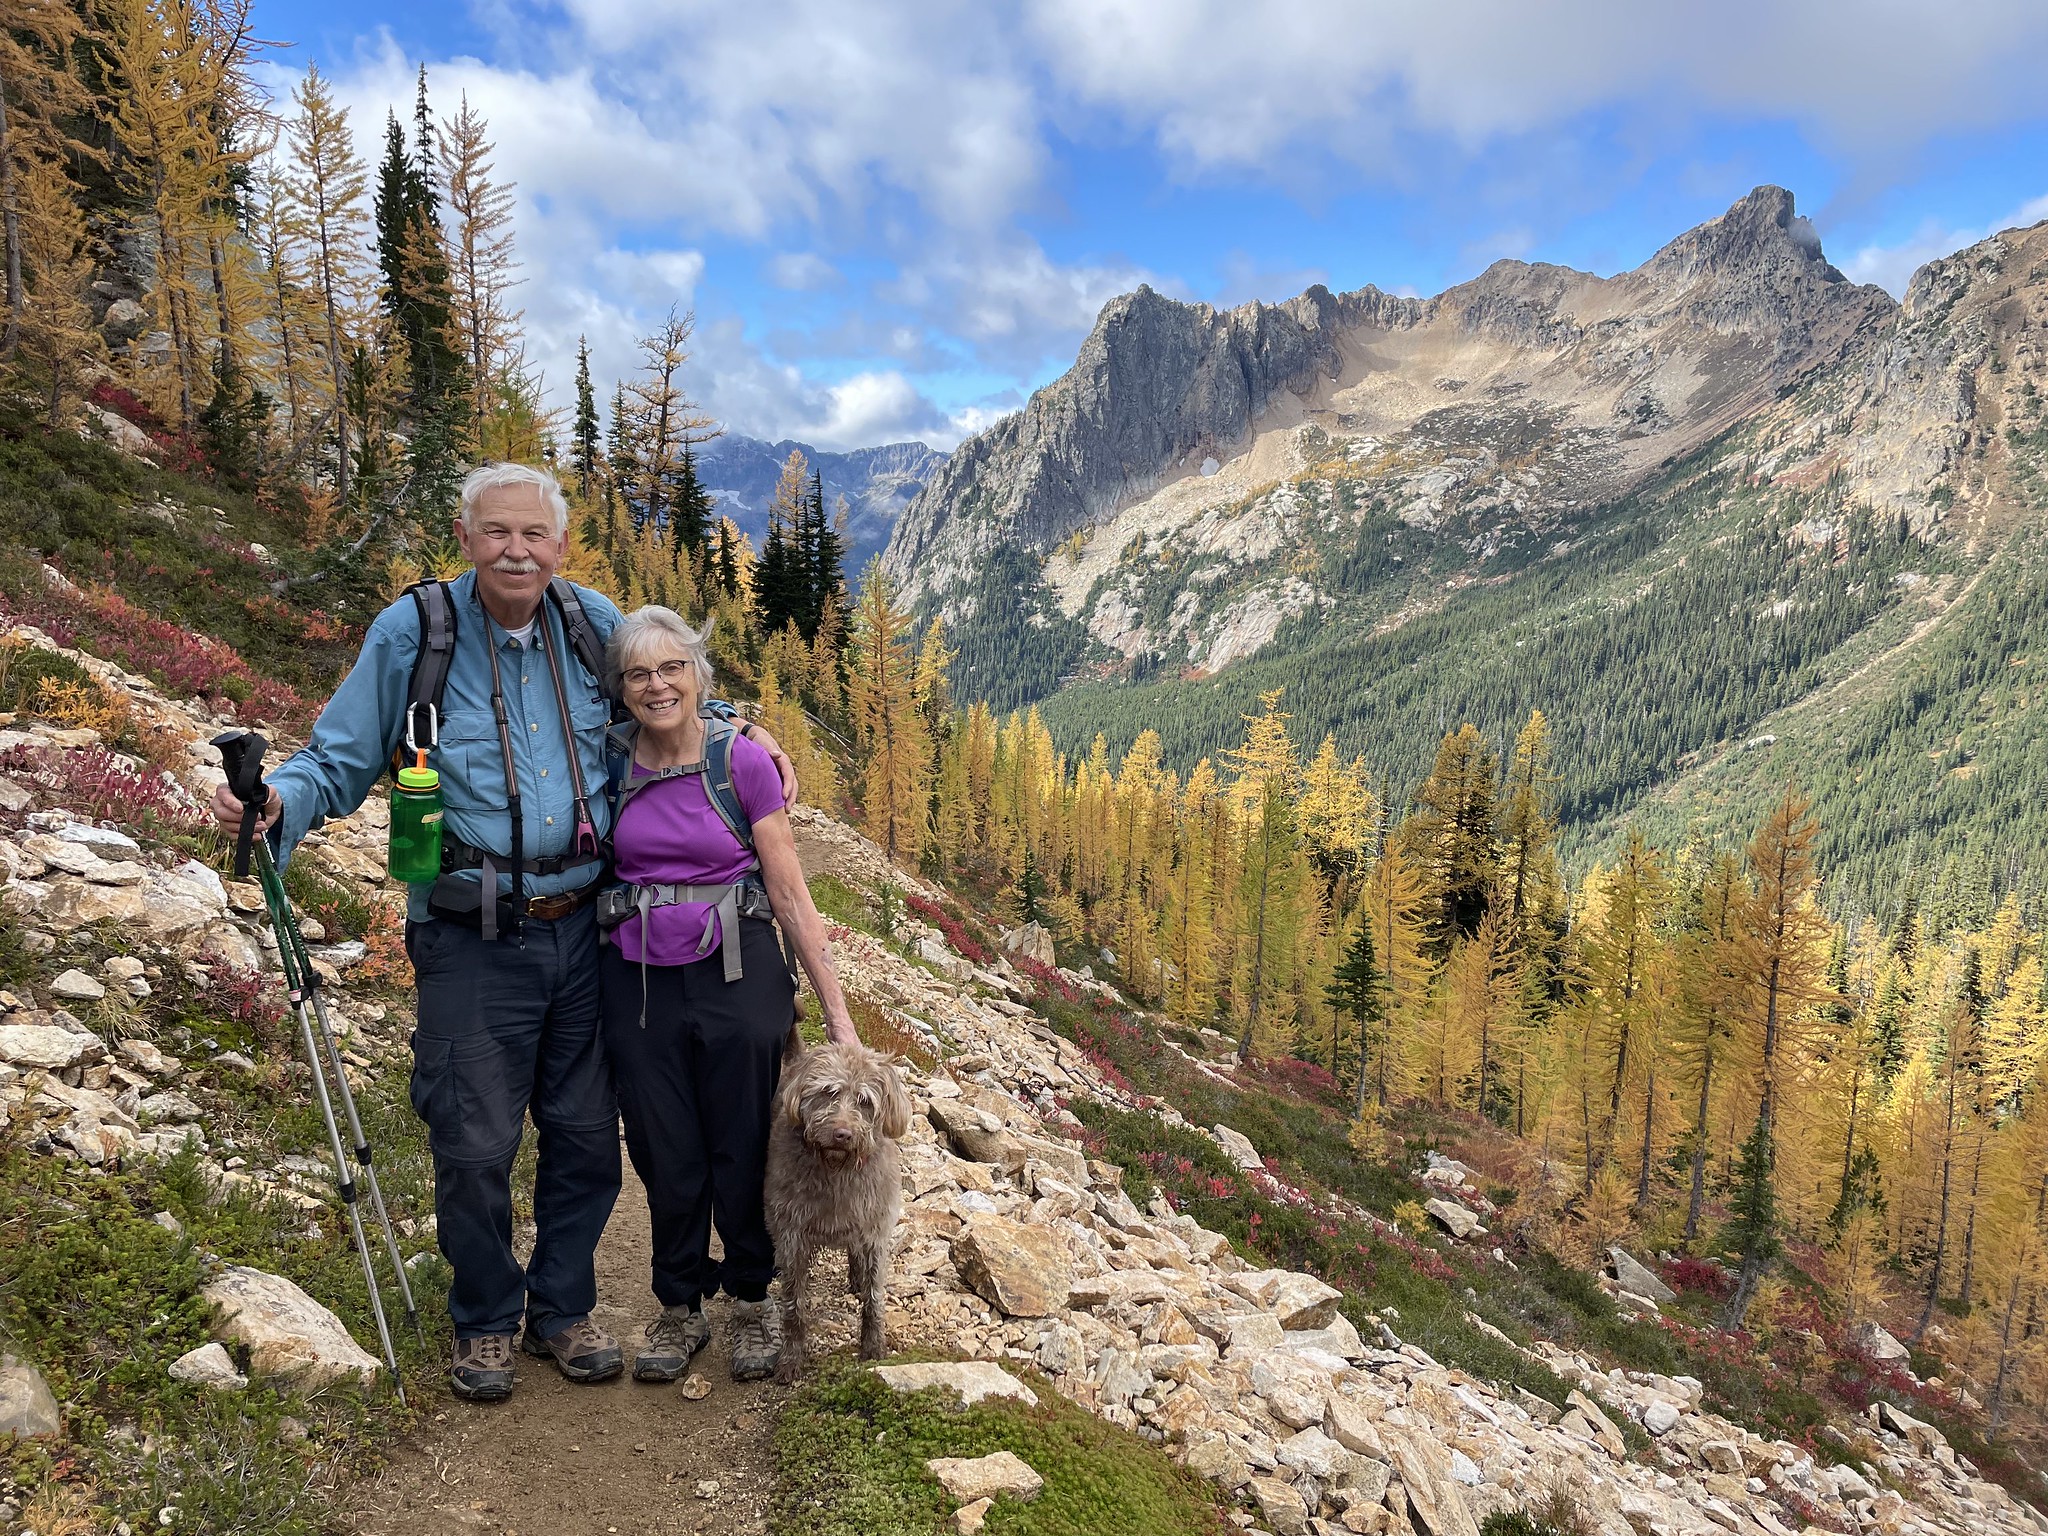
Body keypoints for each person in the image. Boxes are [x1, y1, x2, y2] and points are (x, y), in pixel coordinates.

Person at [210, 463, 795, 1403]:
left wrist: (741, 735)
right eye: (496, 533)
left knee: (582, 1139)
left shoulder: (589, 622)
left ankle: (560, 1309)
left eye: (534, 535)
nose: (516, 551)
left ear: (560, 545)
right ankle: (485, 1316)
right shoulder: (418, 632)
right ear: (466, 535)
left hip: (586, 931)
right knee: (474, 1140)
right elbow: (341, 755)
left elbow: (665, 696)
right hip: (468, 932)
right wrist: (278, 800)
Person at [595, 605, 859, 1384]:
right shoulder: (608, 758)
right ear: (622, 688)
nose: (657, 684)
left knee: (744, 1139)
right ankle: (679, 1304)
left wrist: (838, 1017)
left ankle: (752, 1296)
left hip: (739, 970)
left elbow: (790, 893)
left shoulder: (739, 761)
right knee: (661, 1142)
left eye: (673, 667)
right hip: (637, 977)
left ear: (699, 676)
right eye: (640, 673)